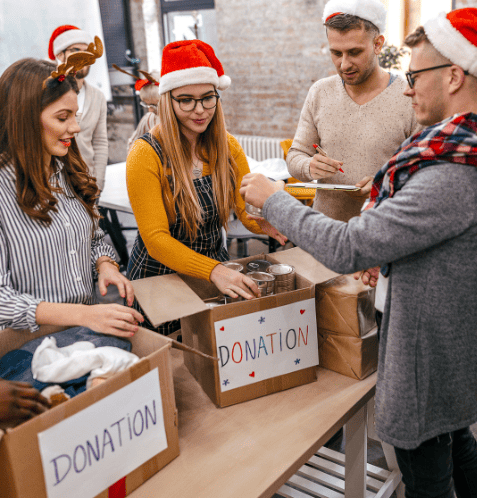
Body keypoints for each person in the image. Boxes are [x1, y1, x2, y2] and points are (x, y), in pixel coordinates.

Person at [241, 8, 477, 498]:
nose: (408, 89)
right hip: (459, 335)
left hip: (431, 349)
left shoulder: (454, 172)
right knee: (456, 440)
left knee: (427, 479)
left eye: (415, 76)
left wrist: (274, 198)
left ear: (454, 75)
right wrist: (388, 253)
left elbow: (348, 247)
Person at [126, 39, 285, 335]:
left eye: (207, 98)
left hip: (214, 275)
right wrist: (215, 271)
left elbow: (245, 211)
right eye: (186, 100)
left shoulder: (227, 147)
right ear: (167, 101)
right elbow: (155, 239)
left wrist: (268, 223)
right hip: (159, 280)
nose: (199, 110)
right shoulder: (145, 154)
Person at [0, 57, 143, 338]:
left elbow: (93, 237)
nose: (76, 128)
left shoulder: (66, 171)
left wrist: (105, 265)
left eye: (75, 115)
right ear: (23, 119)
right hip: (27, 346)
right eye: (63, 117)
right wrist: (84, 314)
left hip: (82, 332)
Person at [286, 0, 420, 222]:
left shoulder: (409, 97)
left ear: (378, 44)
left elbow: (424, 174)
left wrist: (386, 183)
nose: (344, 63)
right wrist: (309, 167)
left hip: (383, 232)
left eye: (354, 52)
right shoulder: (320, 92)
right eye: (336, 53)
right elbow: (295, 156)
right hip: (324, 230)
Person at [48, 25, 109, 190]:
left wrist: (98, 183)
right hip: (53, 183)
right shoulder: (47, 93)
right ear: (60, 55)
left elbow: (100, 142)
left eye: (88, 51)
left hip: (86, 182)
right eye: (76, 51)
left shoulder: (97, 97)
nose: (84, 57)